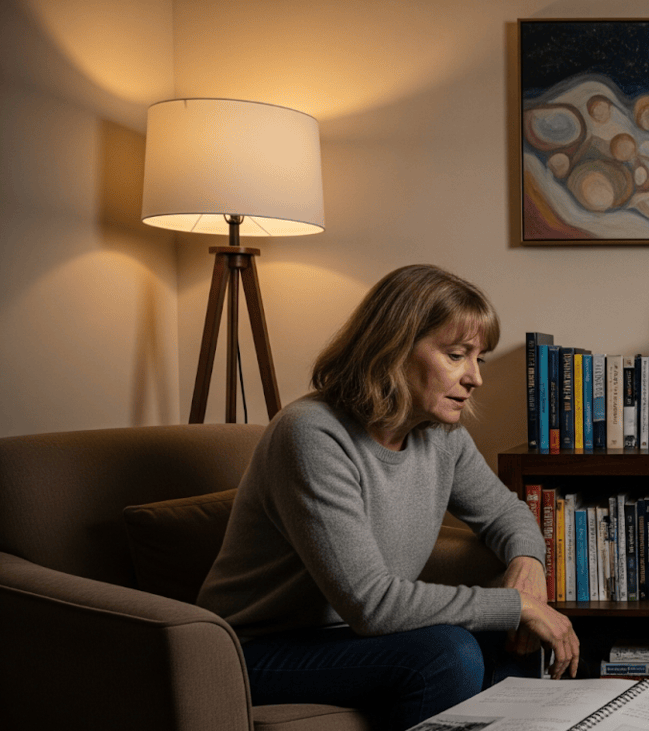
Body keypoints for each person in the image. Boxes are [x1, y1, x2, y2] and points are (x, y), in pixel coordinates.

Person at [197, 264, 579, 730]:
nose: (475, 377)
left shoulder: (441, 435)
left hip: (356, 640)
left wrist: (528, 564)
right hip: (257, 650)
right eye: (457, 355)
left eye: (480, 358)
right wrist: (516, 605)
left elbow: (507, 513)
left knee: (513, 636)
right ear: (393, 347)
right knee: (449, 654)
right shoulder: (312, 434)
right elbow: (371, 604)